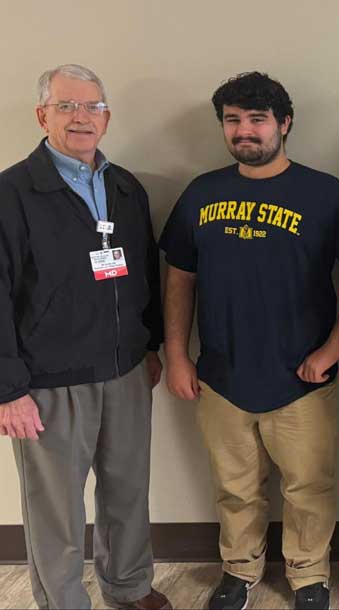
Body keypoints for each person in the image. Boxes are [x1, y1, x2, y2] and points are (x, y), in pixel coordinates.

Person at [159, 72, 339, 610]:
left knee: (308, 489)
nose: (244, 131)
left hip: (302, 377)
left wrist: (332, 351)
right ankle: (239, 571)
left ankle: (308, 576)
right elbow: (180, 276)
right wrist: (177, 354)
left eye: (256, 120)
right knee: (235, 488)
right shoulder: (201, 193)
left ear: (284, 124)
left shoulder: (325, 194)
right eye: (233, 121)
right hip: (221, 377)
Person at [0, 64, 170, 610]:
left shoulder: (125, 188)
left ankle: (129, 585)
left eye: (92, 107)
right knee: (57, 509)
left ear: (107, 117)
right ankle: (64, 601)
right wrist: (8, 387)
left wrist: (151, 346)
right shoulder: (12, 192)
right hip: (47, 380)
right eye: (67, 106)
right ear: (41, 115)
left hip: (123, 370)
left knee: (127, 491)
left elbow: (145, 271)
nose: (81, 117)